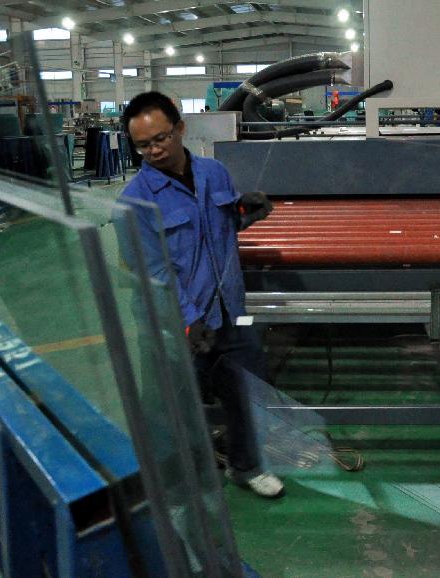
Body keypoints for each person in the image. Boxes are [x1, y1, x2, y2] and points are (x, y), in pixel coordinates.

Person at [119, 91, 283, 499]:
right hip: (175, 325)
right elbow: (154, 272)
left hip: (228, 311)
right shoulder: (134, 202)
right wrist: (189, 321)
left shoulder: (215, 173)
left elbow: (219, 232)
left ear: (180, 129)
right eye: (142, 145)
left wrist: (245, 213)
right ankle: (180, 484)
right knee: (171, 411)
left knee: (246, 393)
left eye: (161, 138)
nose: (154, 150)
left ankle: (246, 467)